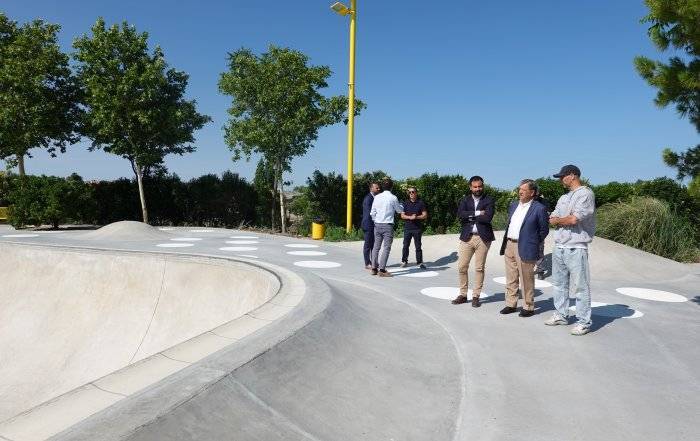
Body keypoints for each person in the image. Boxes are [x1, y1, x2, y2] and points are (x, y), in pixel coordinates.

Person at [544, 164, 596, 336]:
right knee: (559, 284)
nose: (560, 180)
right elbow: (552, 217)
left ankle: (584, 322)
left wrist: (560, 219)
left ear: (572, 175)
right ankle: (561, 315)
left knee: (581, 287)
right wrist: (560, 219)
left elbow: (574, 219)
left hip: (576, 246)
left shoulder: (585, 194)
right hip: (560, 246)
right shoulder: (563, 197)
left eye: (562, 176)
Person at [498, 179, 550, 317]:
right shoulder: (513, 205)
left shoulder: (539, 208)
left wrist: (533, 242)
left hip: (526, 246)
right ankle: (511, 304)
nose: (520, 192)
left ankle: (528, 306)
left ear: (532, 193)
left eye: (523, 190)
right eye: (519, 189)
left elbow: (544, 230)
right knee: (511, 277)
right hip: (509, 244)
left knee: (526, 278)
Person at [451, 176, 495, 307]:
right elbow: (460, 215)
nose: (477, 189)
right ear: (470, 187)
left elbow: (488, 218)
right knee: (462, 267)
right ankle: (463, 295)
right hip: (467, 237)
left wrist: (470, 215)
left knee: (479, 268)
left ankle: (476, 296)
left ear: (483, 186)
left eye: (479, 186)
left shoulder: (489, 200)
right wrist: (479, 213)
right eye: (475, 187)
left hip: (483, 238)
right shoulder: (465, 200)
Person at [370, 178, 403, 277]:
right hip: (388, 225)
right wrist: (402, 205)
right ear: (391, 187)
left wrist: (376, 220)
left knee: (376, 247)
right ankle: (382, 270)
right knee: (386, 248)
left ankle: (373, 268)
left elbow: (372, 212)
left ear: (382, 187)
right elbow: (399, 210)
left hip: (377, 224)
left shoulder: (377, 197)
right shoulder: (393, 198)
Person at [400, 186, 428, 269]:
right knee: (405, 246)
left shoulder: (421, 203)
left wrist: (416, 217)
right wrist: (410, 217)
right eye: (409, 192)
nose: (411, 193)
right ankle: (404, 261)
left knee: (418, 246)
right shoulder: (405, 203)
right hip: (407, 228)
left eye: (413, 192)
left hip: (417, 228)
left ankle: (419, 262)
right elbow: (402, 215)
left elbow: (425, 215)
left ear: (416, 193)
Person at [361, 182, 381, 269]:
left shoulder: (374, 198)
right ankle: (367, 263)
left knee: (374, 245)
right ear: (371, 189)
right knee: (368, 245)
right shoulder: (368, 199)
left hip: (373, 225)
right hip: (368, 224)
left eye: (379, 188)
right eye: (377, 188)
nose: (379, 189)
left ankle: (374, 262)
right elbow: (369, 214)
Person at [533, 187, 552, 279]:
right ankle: (527, 269)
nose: (535, 195)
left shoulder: (543, 202)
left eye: (537, 193)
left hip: (539, 230)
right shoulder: (527, 201)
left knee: (539, 250)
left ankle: (540, 270)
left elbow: (548, 214)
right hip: (527, 229)